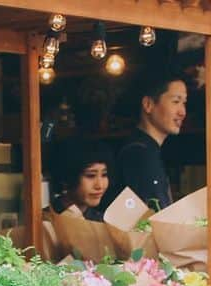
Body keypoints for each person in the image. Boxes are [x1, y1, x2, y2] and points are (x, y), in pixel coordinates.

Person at [117, 69, 188, 212]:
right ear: (148, 104)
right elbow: (156, 218)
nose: (182, 112)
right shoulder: (139, 154)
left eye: (184, 103)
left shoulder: (147, 150)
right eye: (176, 101)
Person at [49, 141, 114, 220]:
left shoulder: (104, 221)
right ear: (67, 179)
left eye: (104, 175)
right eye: (91, 176)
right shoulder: (42, 219)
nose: (100, 185)